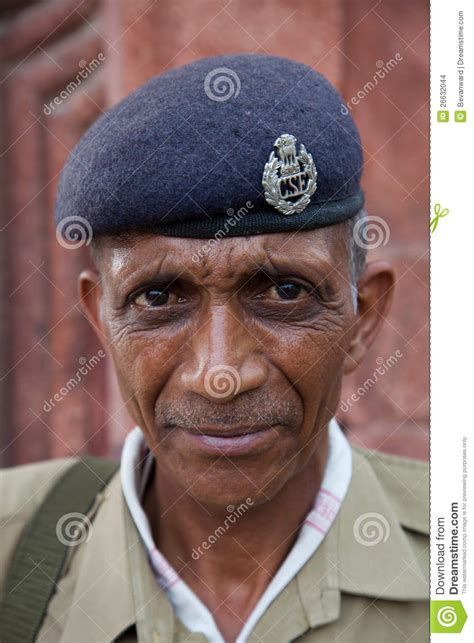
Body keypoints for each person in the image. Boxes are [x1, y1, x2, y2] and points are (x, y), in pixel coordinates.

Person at [0, 54, 428, 643]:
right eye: (157, 298)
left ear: (362, 318)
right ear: (102, 322)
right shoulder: (12, 552)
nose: (220, 374)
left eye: (284, 291)